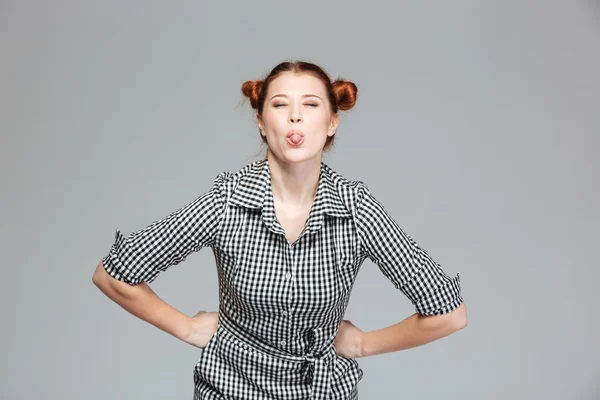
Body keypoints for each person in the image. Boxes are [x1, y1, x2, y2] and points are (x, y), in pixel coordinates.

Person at [92, 60, 467, 400]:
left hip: (323, 392)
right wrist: (187, 328)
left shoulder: (355, 210)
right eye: (279, 105)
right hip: (230, 389)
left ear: (332, 121)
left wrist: (365, 344)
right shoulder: (227, 202)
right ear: (260, 120)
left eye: (310, 104)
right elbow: (113, 275)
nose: (295, 118)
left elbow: (449, 314)